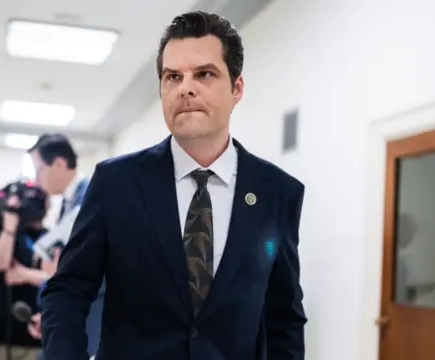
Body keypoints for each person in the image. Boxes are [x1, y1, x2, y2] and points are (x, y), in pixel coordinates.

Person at [41, 10, 307, 360]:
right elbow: (68, 289)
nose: (186, 88)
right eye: (172, 77)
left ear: (236, 88)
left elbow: (283, 317)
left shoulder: (277, 193)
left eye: (204, 74)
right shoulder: (117, 183)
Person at [25, 133, 103, 358]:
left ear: (58, 164)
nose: (37, 180)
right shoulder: (69, 204)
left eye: (39, 170)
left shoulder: (92, 199)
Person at [0, 182, 57, 360]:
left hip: (34, 329)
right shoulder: (7, 233)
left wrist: (25, 275)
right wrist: (9, 227)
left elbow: (54, 277)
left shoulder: (51, 238)